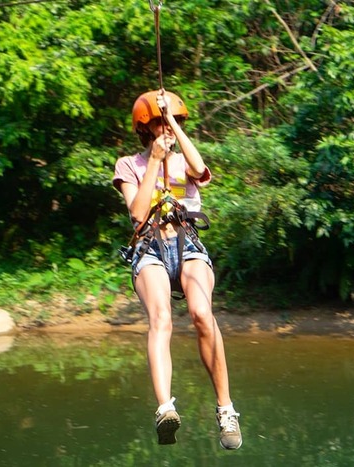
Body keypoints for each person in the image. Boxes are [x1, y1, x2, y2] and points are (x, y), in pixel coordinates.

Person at [112, 89, 242, 449]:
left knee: (202, 314)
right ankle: (165, 408)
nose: (167, 126)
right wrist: (155, 159)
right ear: (144, 127)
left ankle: (226, 409)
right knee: (161, 318)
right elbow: (137, 215)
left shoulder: (184, 159)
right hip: (151, 248)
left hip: (187, 244)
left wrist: (172, 124)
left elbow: (200, 170)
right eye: (158, 121)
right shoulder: (128, 165)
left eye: (174, 120)